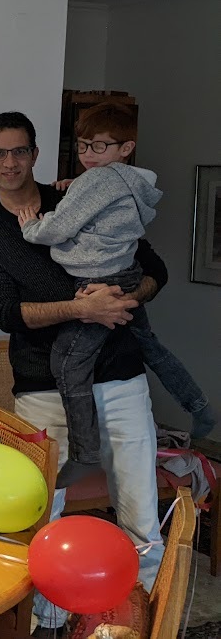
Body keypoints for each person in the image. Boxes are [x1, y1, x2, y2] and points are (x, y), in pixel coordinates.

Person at [0, 111, 166, 639]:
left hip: (120, 378)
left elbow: (153, 267)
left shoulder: (78, 200)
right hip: (41, 390)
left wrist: (123, 298)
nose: (10, 162)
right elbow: (7, 312)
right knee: (40, 510)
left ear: (34, 155)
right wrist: (81, 309)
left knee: (141, 511)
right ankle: (46, 623)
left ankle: (141, 621)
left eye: (19, 151)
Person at [18, 102, 214, 486]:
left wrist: (31, 227)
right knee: (150, 346)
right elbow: (104, 198)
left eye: (100, 147)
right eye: (83, 146)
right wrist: (77, 183)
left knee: (68, 365)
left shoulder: (94, 182)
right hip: (127, 274)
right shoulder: (131, 180)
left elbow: (60, 228)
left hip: (97, 283)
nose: (89, 155)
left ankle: (84, 452)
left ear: (126, 147)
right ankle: (200, 407)